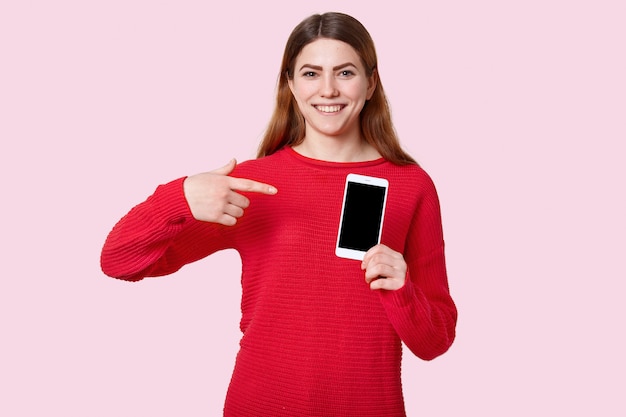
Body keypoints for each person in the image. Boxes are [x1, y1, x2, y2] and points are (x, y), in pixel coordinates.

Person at [101, 11, 457, 417]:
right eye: (310, 73)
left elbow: (435, 341)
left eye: (345, 73)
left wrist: (402, 289)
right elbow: (118, 261)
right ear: (290, 83)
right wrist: (178, 198)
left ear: (371, 82)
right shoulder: (250, 186)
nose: (328, 90)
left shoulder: (412, 185)